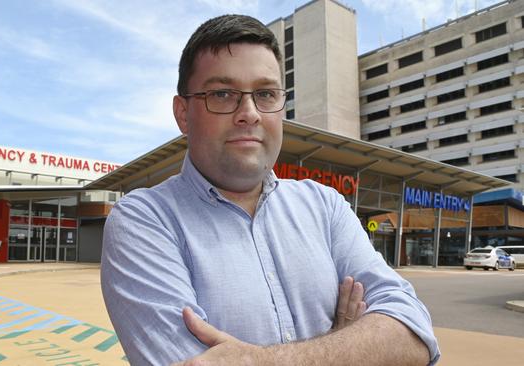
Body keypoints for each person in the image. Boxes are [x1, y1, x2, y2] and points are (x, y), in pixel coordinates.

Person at [101, 14, 439, 366]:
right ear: (183, 114)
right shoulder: (144, 221)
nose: (249, 113)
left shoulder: (324, 206)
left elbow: (413, 333)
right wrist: (345, 345)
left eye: (265, 94)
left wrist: (262, 361)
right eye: (222, 94)